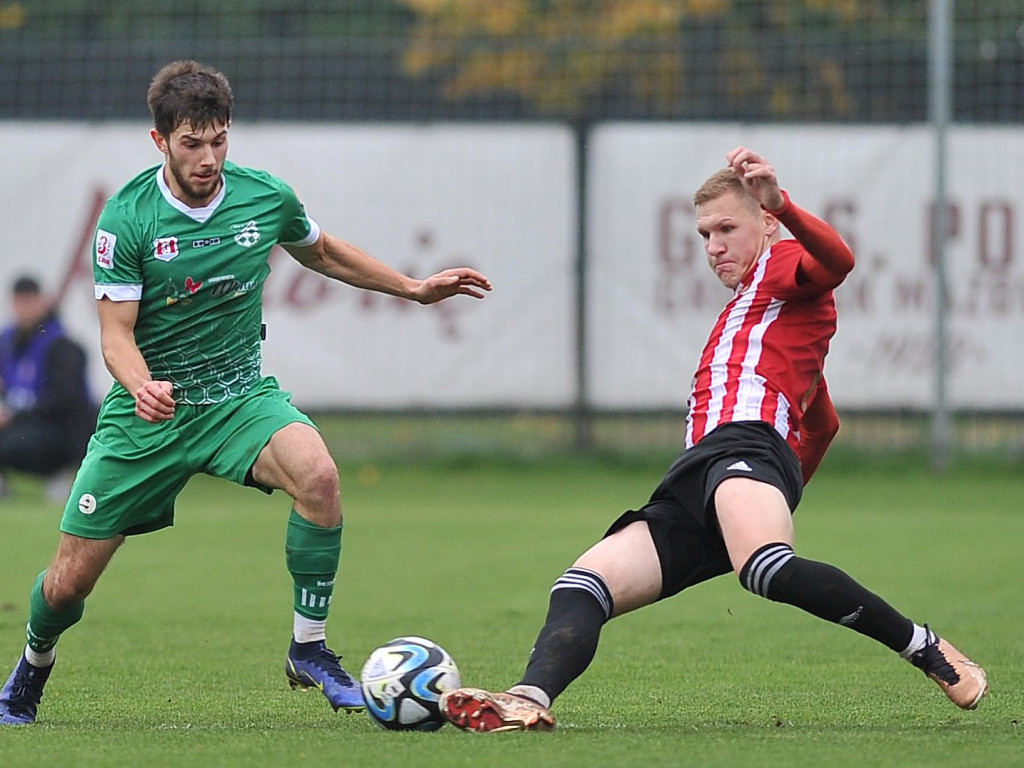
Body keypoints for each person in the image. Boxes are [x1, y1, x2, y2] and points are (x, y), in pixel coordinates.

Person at [0, 59, 492, 726]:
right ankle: (31, 666)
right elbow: (114, 335)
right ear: (160, 142)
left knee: (319, 476)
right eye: (191, 143)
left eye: (219, 140)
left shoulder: (264, 197)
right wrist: (142, 386)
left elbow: (322, 251)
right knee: (68, 584)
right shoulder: (128, 220)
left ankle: (309, 649)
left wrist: (411, 287)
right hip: (149, 416)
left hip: (237, 398)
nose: (207, 158)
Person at [438, 147, 988, 733]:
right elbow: (823, 423)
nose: (713, 246)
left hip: (743, 451)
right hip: (698, 476)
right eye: (704, 234)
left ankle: (923, 646)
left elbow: (839, 261)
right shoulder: (757, 313)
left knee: (766, 569)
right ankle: (528, 698)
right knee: (583, 584)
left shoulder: (783, 270)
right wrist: (776, 492)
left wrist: (783, 201)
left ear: (767, 222)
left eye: (727, 228)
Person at [0, 276, 97, 500]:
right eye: (19, 302)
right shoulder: (8, 342)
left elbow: (66, 399)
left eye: (29, 301)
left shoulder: (61, 345)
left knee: (17, 444)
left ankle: (58, 471)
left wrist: (14, 415)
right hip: (24, 421)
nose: (24, 309)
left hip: (58, 427)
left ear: (42, 302)